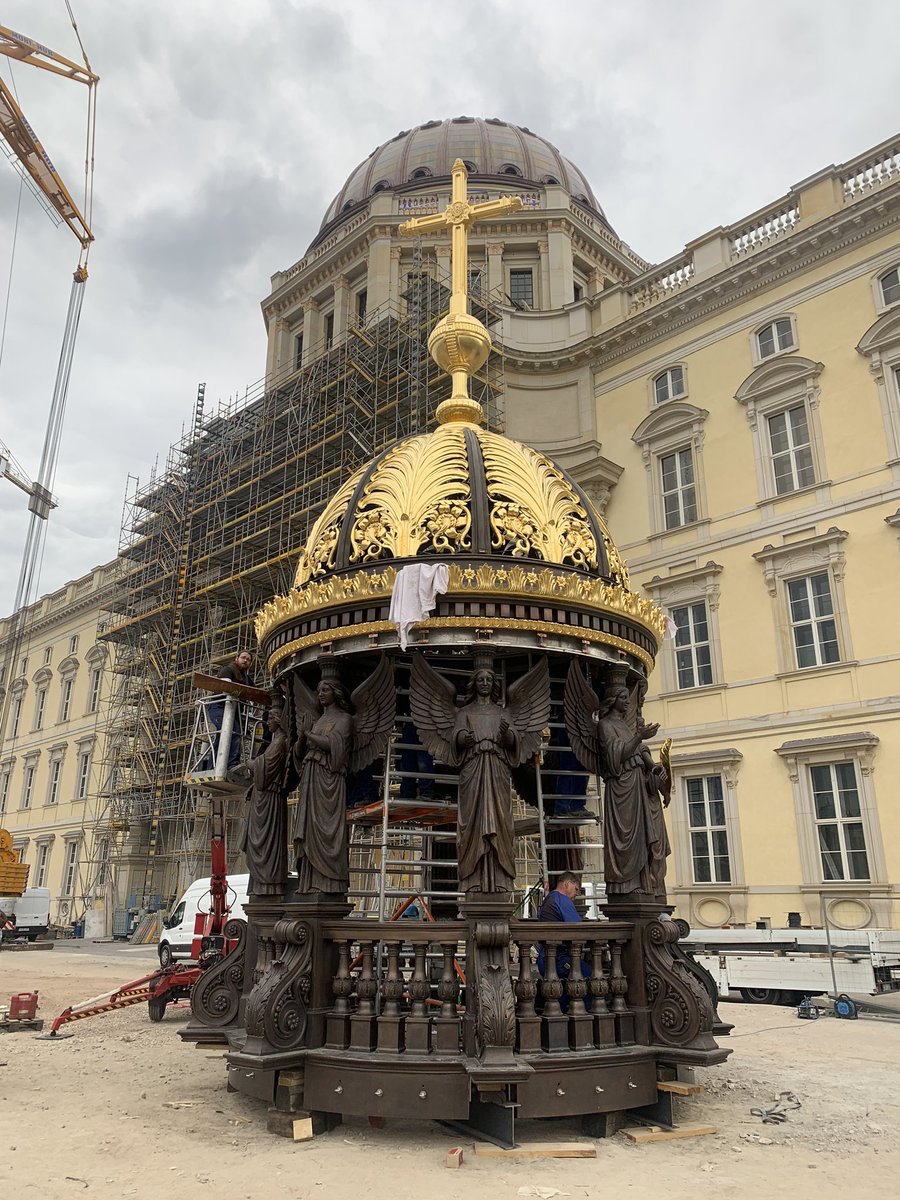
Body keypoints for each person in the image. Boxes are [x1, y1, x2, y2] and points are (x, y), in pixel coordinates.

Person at [291, 677, 355, 894]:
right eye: (318, 690)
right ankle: (309, 884)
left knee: (327, 827)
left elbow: (335, 746)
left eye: (325, 689)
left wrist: (309, 734)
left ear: (336, 693)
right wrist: (301, 737)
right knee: (310, 827)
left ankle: (329, 883)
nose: (320, 693)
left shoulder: (344, 719)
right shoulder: (317, 720)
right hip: (311, 777)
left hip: (329, 779)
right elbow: (300, 753)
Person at [242, 700, 289, 895]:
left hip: (269, 800)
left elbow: (265, 772)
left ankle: (267, 883)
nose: (267, 722)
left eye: (271, 717)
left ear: (279, 720)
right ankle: (262, 882)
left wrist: (251, 763)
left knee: (266, 842)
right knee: (258, 842)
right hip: (263, 799)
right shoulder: (274, 742)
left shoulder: (279, 743)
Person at [537, 872, 589, 1012]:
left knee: (560, 996)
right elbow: (577, 929)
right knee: (589, 980)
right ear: (567, 884)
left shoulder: (549, 899)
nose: (577, 893)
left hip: (546, 957)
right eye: (576, 889)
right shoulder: (562, 900)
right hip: (559, 959)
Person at [208, 650, 257, 770]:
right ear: (237, 658)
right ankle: (223, 764)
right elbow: (227, 687)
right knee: (229, 730)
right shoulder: (228, 670)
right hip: (219, 706)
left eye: (248, 659)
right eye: (243, 658)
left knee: (235, 732)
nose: (245, 661)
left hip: (234, 710)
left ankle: (226, 763)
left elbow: (255, 691)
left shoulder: (246, 678)